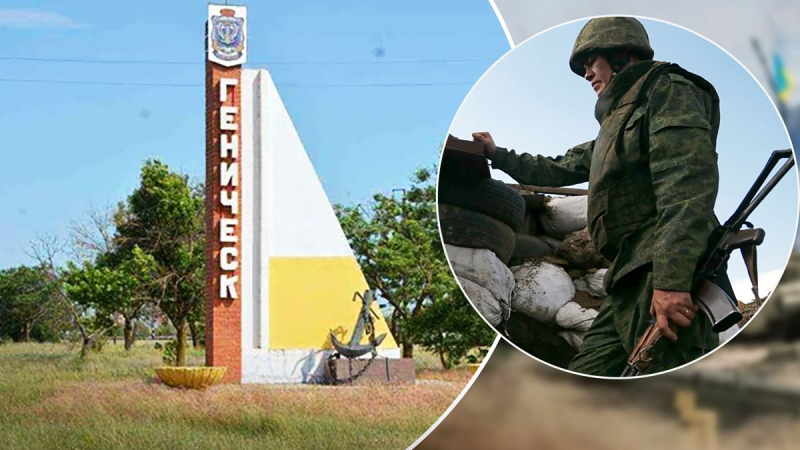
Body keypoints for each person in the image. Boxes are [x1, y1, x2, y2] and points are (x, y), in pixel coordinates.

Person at [474, 17, 731, 376]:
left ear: (622, 55)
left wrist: (671, 281)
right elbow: (556, 168)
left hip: (661, 270)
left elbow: (687, 187)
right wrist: (496, 154)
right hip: (627, 279)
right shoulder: (616, 125)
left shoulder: (668, 90)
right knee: (587, 375)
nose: (586, 74)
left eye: (590, 62)